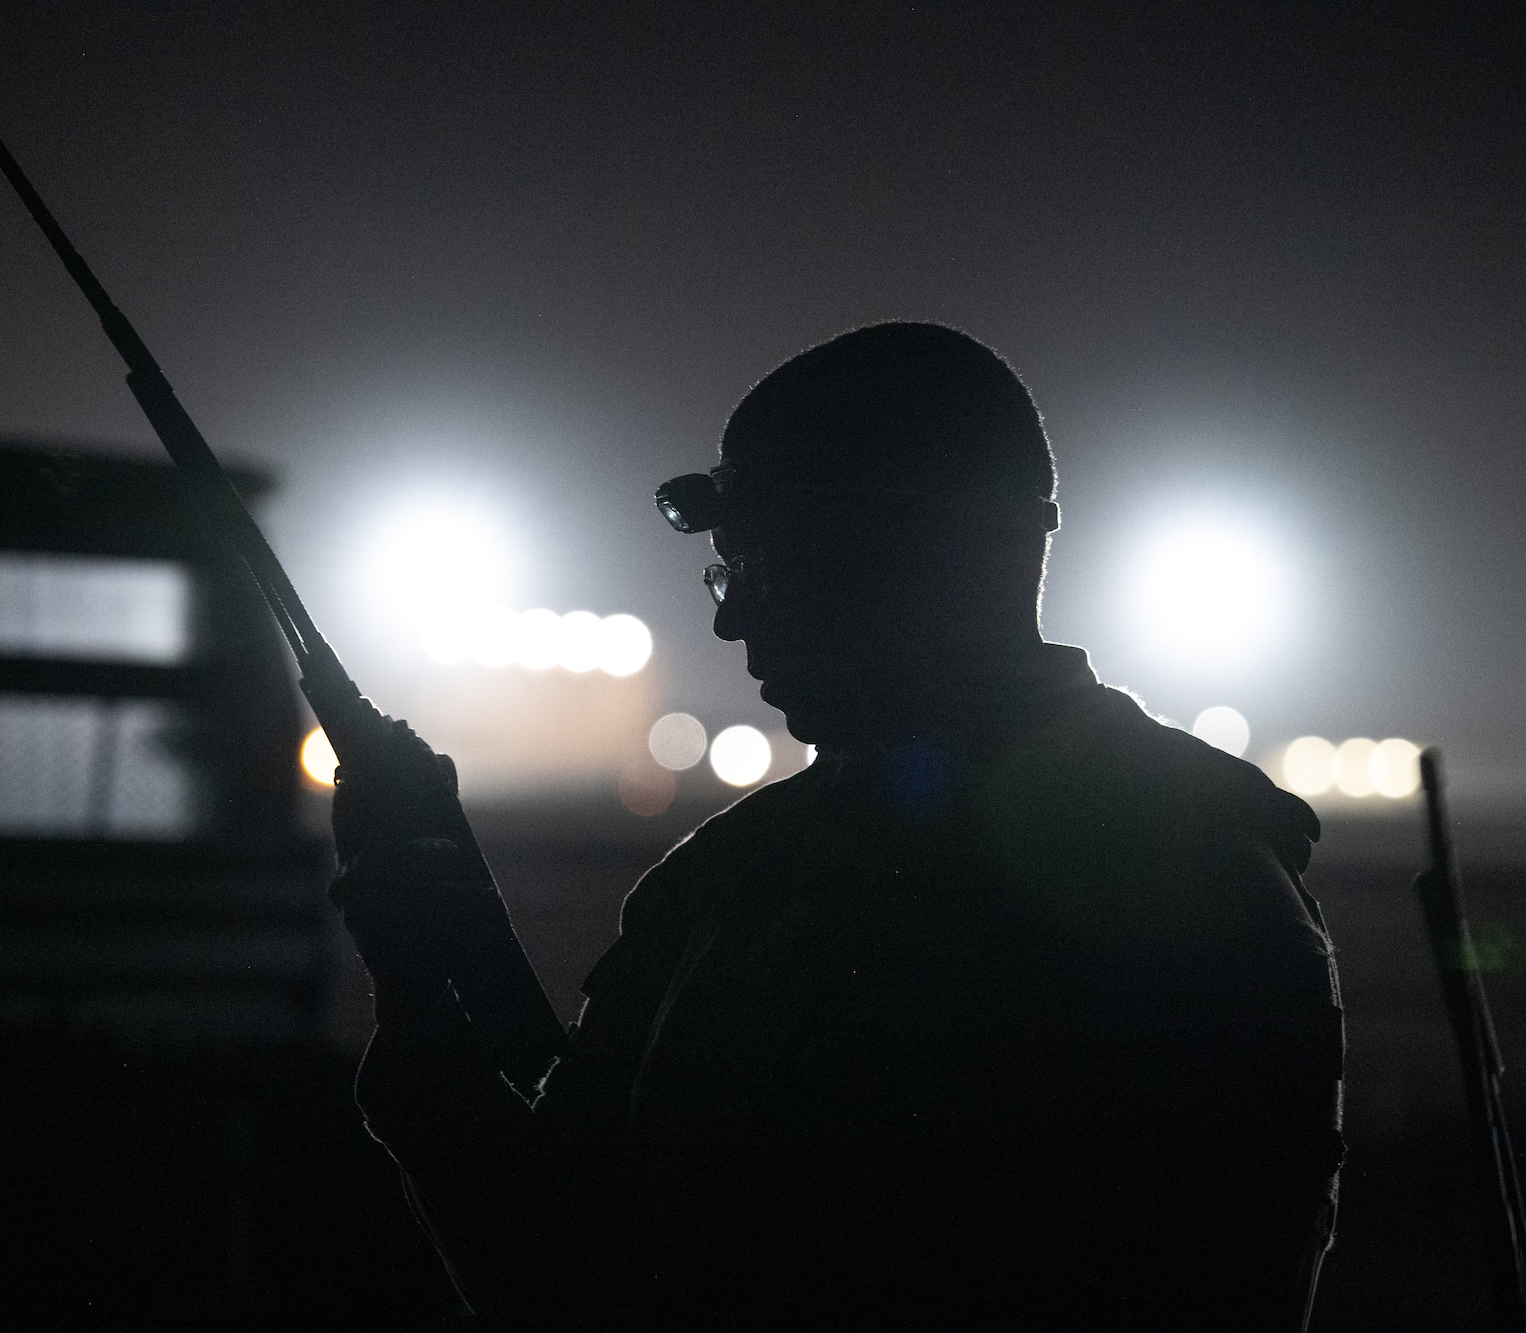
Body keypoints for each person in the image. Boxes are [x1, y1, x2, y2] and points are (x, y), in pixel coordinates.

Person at [338, 322, 1345, 1329]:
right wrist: (427, 1002)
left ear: (906, 559)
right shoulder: (1202, 863)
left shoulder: (735, 887)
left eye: (762, 562)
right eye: (723, 570)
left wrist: (430, 1048)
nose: (731, 619)